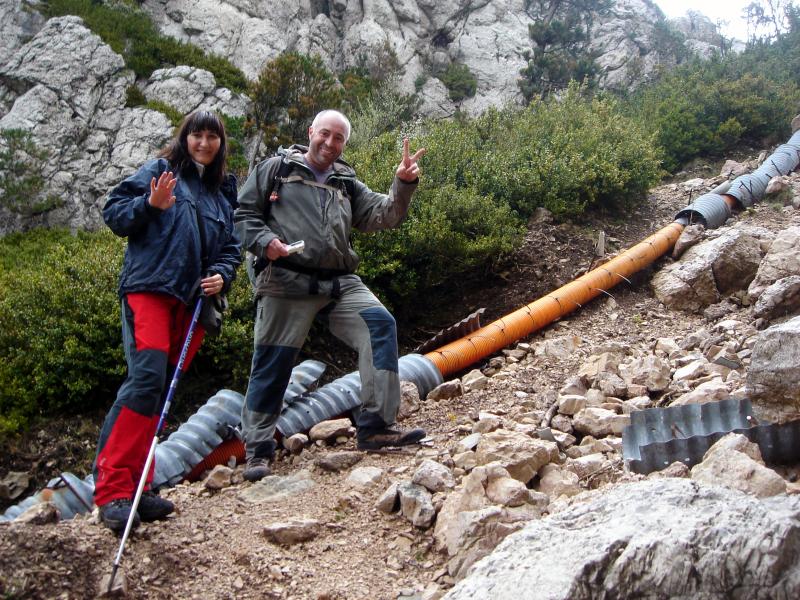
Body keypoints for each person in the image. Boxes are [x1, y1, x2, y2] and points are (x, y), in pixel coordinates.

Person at [235, 109, 427, 481]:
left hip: (338, 282)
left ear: (344, 144)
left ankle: (375, 426)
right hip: (285, 282)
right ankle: (257, 450)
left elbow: (383, 215)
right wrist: (265, 242)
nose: (329, 143)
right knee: (272, 363)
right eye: (324, 134)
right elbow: (243, 216)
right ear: (310, 132)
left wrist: (402, 184)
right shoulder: (276, 170)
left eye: (338, 138)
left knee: (379, 324)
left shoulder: (346, 182)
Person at [94, 110, 242, 531]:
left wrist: (223, 275)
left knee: (158, 393)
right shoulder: (161, 171)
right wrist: (150, 204)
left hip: (193, 303)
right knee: (145, 380)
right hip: (151, 289)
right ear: (185, 138)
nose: (204, 143)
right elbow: (114, 212)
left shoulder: (221, 194)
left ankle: (140, 487)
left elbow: (231, 247)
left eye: (213, 136)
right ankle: (112, 490)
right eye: (198, 134)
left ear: (220, 143)